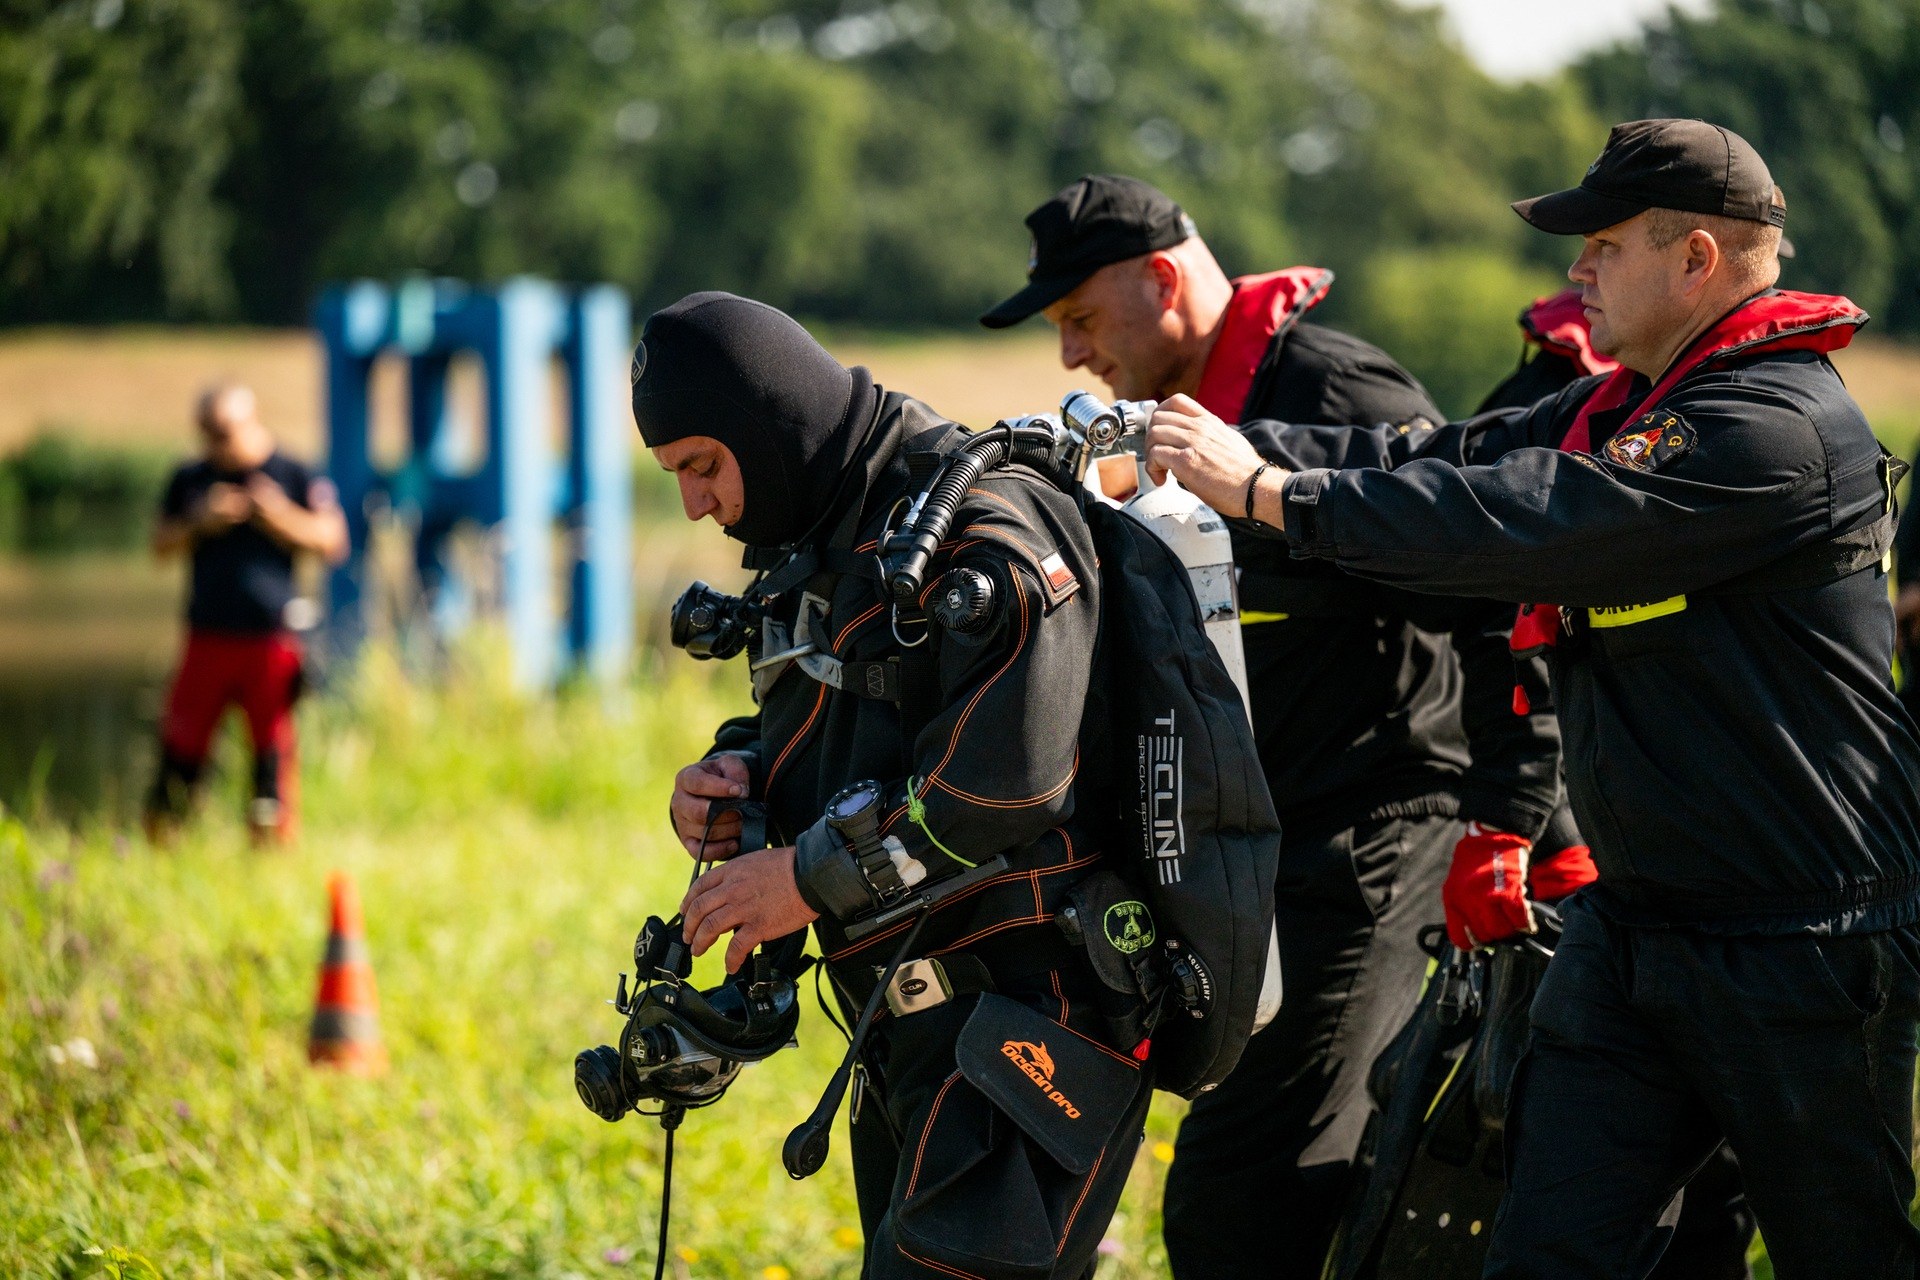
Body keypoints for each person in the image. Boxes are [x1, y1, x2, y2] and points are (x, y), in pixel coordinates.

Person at [1143, 118, 1920, 1278]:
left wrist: (1267, 493)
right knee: (1545, 1254)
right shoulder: (1621, 410)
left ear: (1696, 258)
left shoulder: (1777, 428)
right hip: (1634, 926)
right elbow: (1436, 458)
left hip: (1804, 940)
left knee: (1846, 1254)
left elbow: (1523, 519)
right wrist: (1193, 456)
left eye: (1604, 244)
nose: (1577, 270)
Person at [981, 174, 1571, 1279]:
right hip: (1256, 848)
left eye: (1079, 319)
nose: (1070, 355)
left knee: (1243, 1195)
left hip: (1377, 840)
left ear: (1163, 279)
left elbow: (1493, 588)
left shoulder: (1336, 389)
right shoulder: (1156, 427)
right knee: (1259, 1188)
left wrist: (1513, 817)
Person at [639, 292, 1152, 1280]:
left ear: (771, 423)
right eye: (676, 477)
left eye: (702, 465)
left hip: (1028, 1012)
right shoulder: (822, 527)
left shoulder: (978, 519)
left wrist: (806, 877)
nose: (695, 504)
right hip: (908, 1022)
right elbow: (843, 716)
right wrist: (737, 778)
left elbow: (1009, 780)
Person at [145, 384, 347, 844]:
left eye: (224, 431)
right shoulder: (191, 478)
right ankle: (164, 845)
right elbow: (158, 545)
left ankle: (270, 853)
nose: (216, 442)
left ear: (252, 419)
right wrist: (202, 520)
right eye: (207, 432)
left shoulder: (291, 471)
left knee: (271, 756)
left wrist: (277, 515)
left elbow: (333, 541)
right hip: (206, 638)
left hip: (271, 641)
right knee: (181, 747)